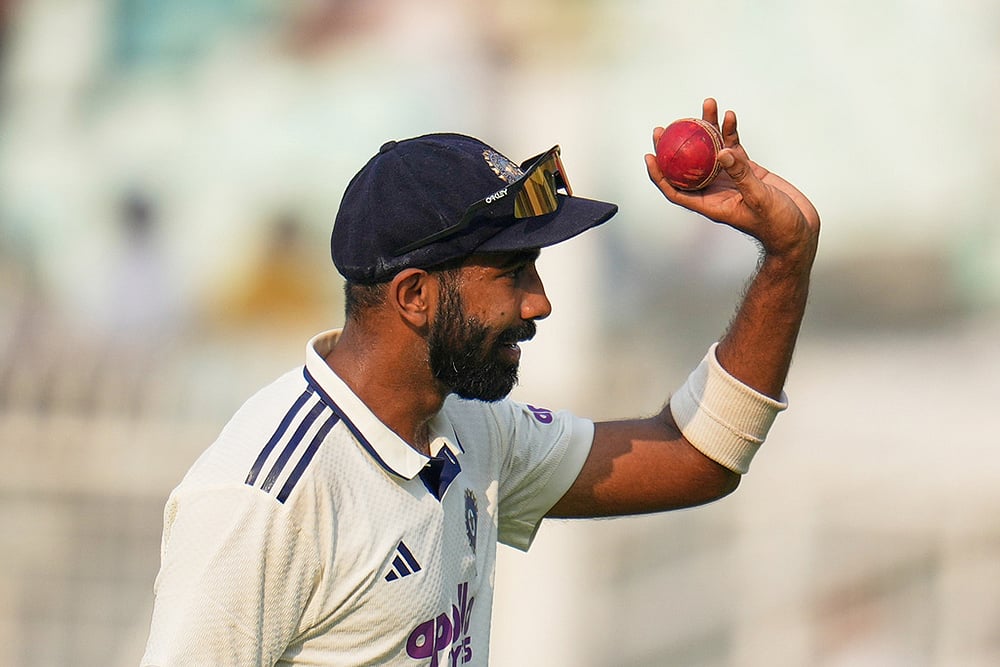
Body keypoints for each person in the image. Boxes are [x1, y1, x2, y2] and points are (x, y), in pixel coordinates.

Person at [141, 97, 820, 666]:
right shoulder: (265, 499)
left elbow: (697, 458)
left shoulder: (466, 427)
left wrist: (787, 258)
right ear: (415, 295)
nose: (540, 302)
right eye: (512, 272)